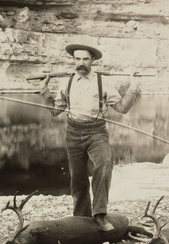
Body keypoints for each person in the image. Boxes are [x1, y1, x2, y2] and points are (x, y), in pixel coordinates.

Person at [35, 40, 140, 231]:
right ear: (73, 61)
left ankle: (99, 214)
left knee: (104, 164)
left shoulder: (103, 82)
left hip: (97, 132)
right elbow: (55, 110)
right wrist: (44, 89)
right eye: (77, 59)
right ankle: (80, 218)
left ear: (92, 60)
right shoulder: (67, 82)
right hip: (73, 133)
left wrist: (133, 88)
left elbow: (122, 108)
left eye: (85, 59)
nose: (81, 63)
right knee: (78, 178)